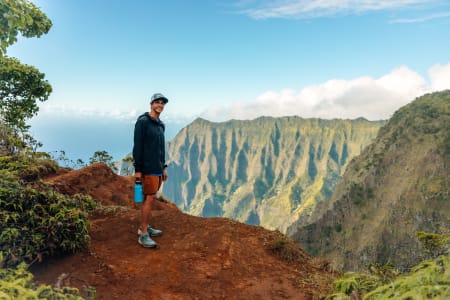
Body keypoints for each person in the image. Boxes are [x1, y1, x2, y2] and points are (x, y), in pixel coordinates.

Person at [133, 93, 169, 248]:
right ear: (151, 104)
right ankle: (143, 234)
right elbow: (138, 146)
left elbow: (160, 148)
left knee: (150, 198)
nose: (160, 105)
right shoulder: (143, 122)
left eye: (162, 103)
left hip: (157, 168)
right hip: (147, 169)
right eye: (157, 102)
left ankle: (145, 226)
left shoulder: (161, 125)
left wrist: (163, 167)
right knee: (150, 198)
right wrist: (138, 170)